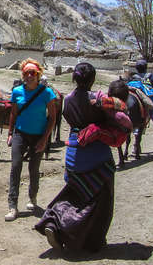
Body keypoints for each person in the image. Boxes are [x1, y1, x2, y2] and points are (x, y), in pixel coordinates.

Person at [34, 62, 115, 253]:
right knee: (100, 201)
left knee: (72, 194)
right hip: (97, 155)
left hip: (73, 154)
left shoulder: (68, 99)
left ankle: (53, 224)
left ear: (74, 78)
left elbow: (70, 120)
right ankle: (91, 241)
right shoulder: (98, 99)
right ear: (93, 79)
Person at [5, 58, 57, 221]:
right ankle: (12, 206)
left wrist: (45, 139)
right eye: (26, 73)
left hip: (38, 136)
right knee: (15, 167)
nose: (29, 76)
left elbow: (53, 118)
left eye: (32, 73)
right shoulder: (17, 91)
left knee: (33, 169)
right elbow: (13, 113)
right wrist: (10, 133)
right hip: (20, 134)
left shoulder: (47, 93)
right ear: (23, 75)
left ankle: (33, 198)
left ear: (38, 74)